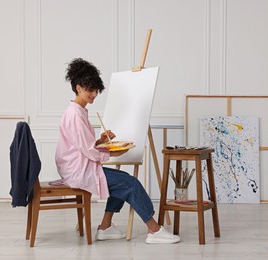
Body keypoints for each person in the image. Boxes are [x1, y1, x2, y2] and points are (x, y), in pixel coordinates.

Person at [55, 58, 180, 244]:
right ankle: (154, 230)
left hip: (79, 166)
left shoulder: (78, 111)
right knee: (130, 183)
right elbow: (88, 151)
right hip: (78, 170)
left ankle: (105, 227)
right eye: (90, 90)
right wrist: (112, 153)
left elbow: (81, 145)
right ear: (78, 88)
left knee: (120, 182)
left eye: (96, 90)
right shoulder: (75, 115)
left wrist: (101, 140)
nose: (94, 94)